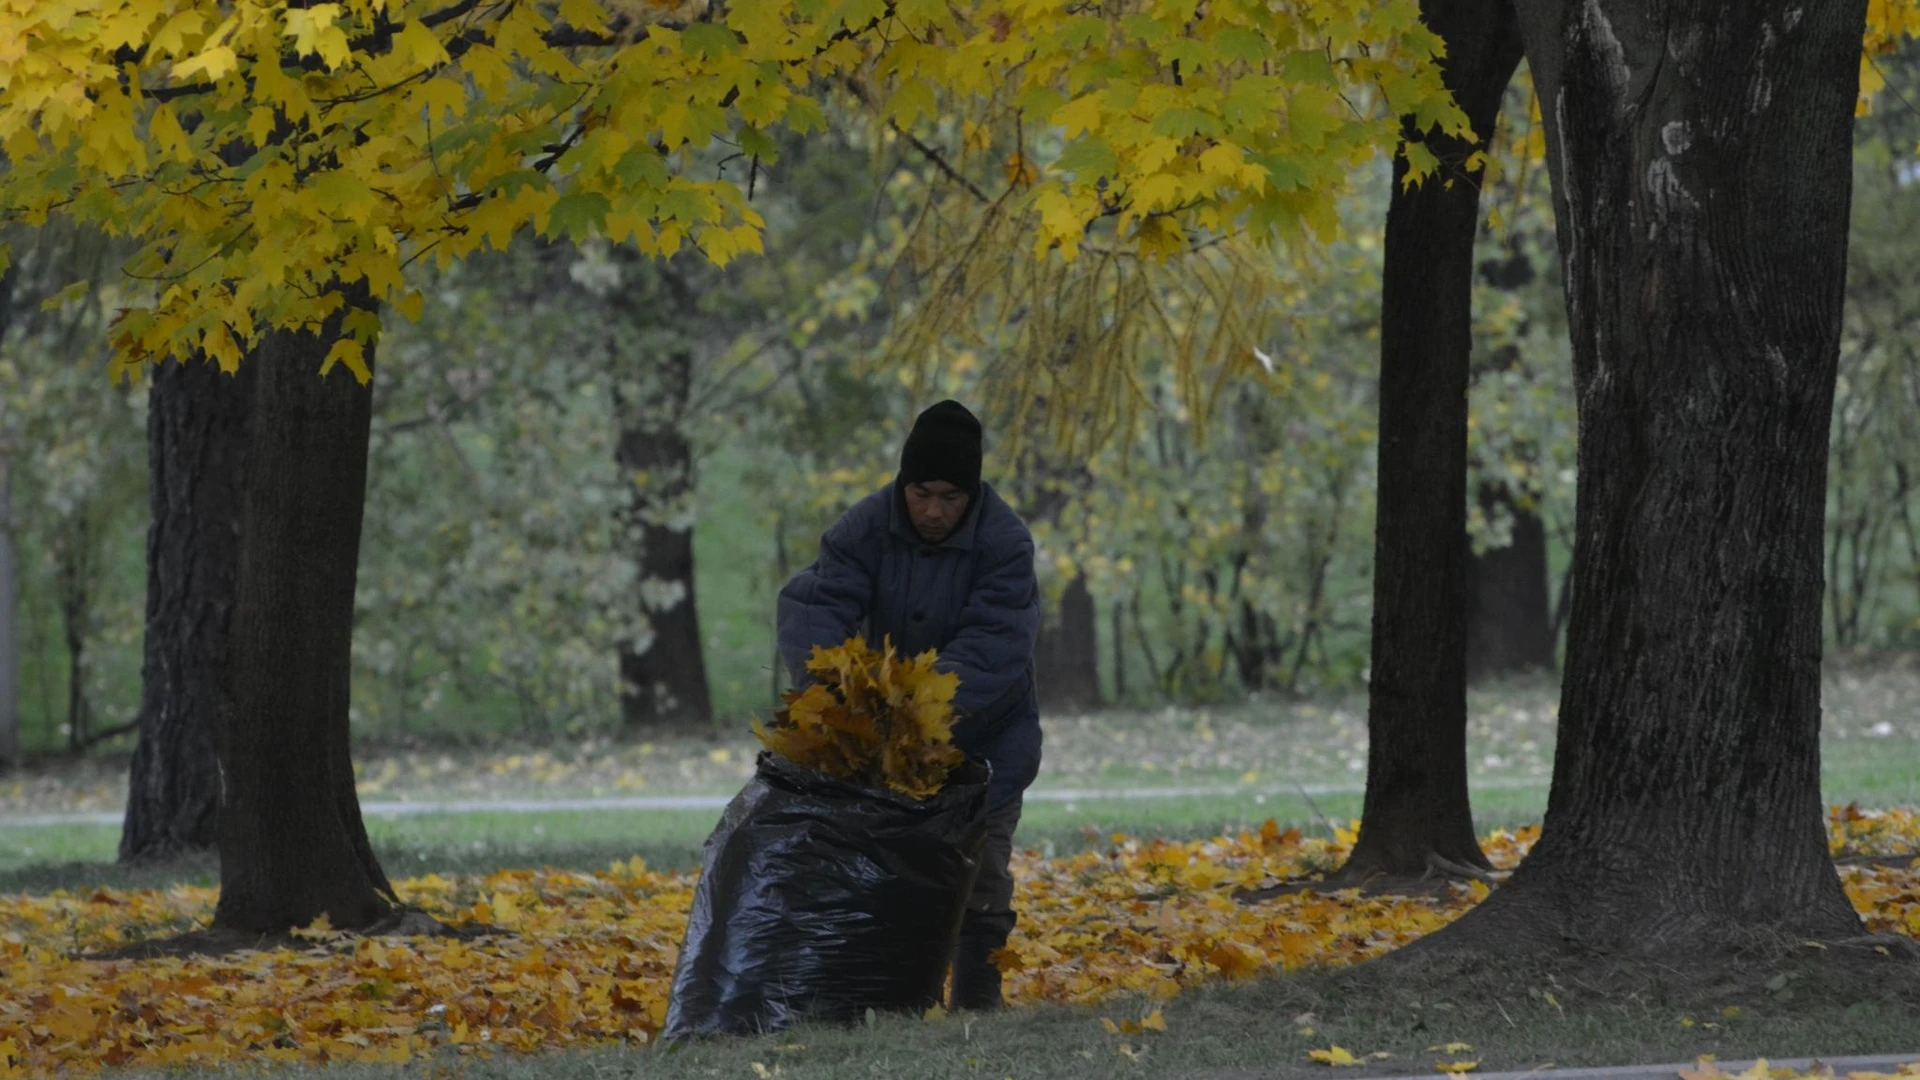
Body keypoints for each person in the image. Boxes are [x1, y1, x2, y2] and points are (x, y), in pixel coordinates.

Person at [776, 399, 1042, 1011]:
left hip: (984, 739)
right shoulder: (863, 527)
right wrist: (839, 691)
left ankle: (978, 1003)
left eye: (951, 497)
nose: (933, 511)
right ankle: (882, 1003)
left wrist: (914, 710)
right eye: (922, 492)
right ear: (904, 483)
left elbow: (992, 646)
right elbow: (818, 604)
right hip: (883, 743)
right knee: (886, 871)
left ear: (971, 495)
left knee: (982, 874)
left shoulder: (1005, 545)